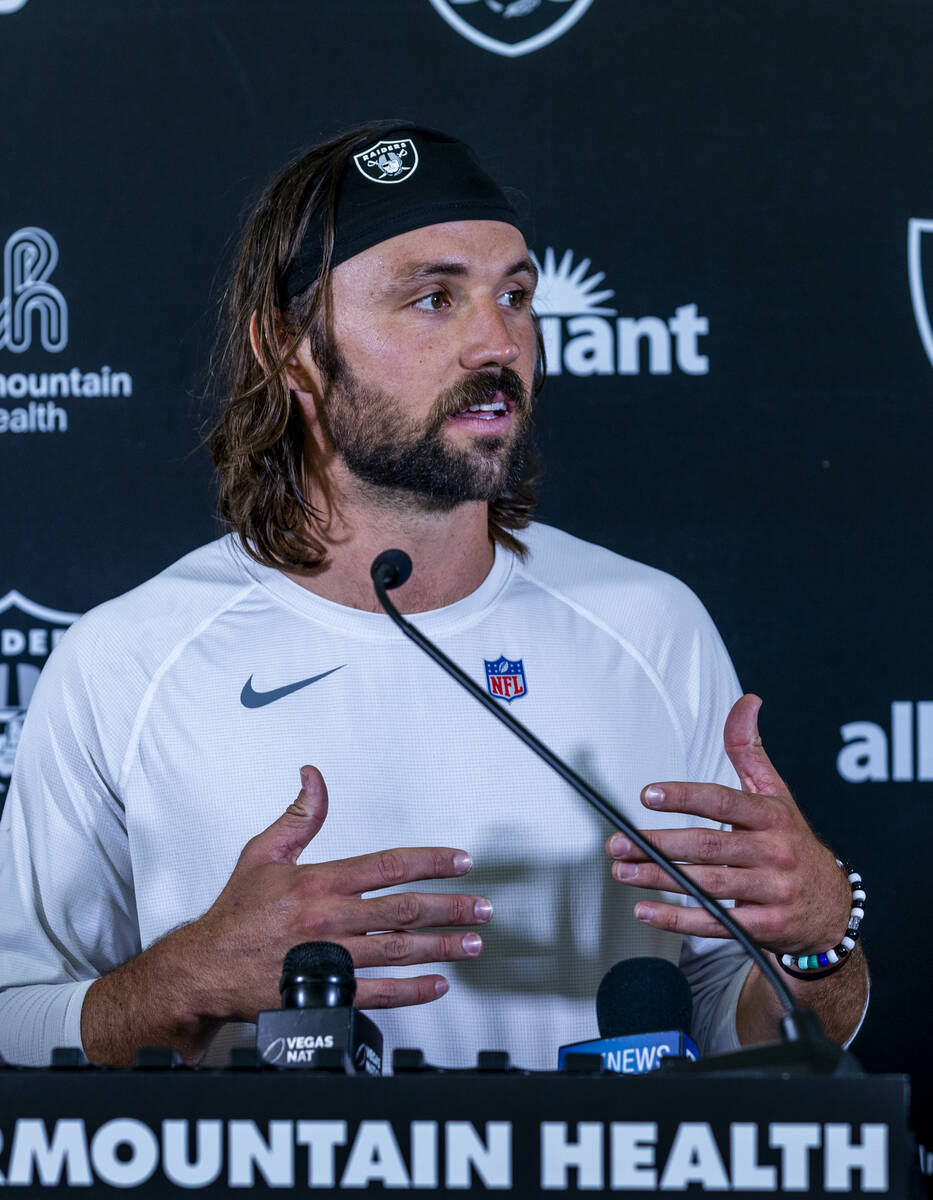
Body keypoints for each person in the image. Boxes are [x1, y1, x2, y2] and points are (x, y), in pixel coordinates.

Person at [0, 123, 867, 1069]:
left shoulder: (647, 625)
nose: (496, 341)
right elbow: (13, 1021)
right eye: (433, 298)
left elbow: (735, 1026)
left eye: (514, 295)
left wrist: (819, 939)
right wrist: (182, 983)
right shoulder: (127, 659)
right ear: (288, 350)